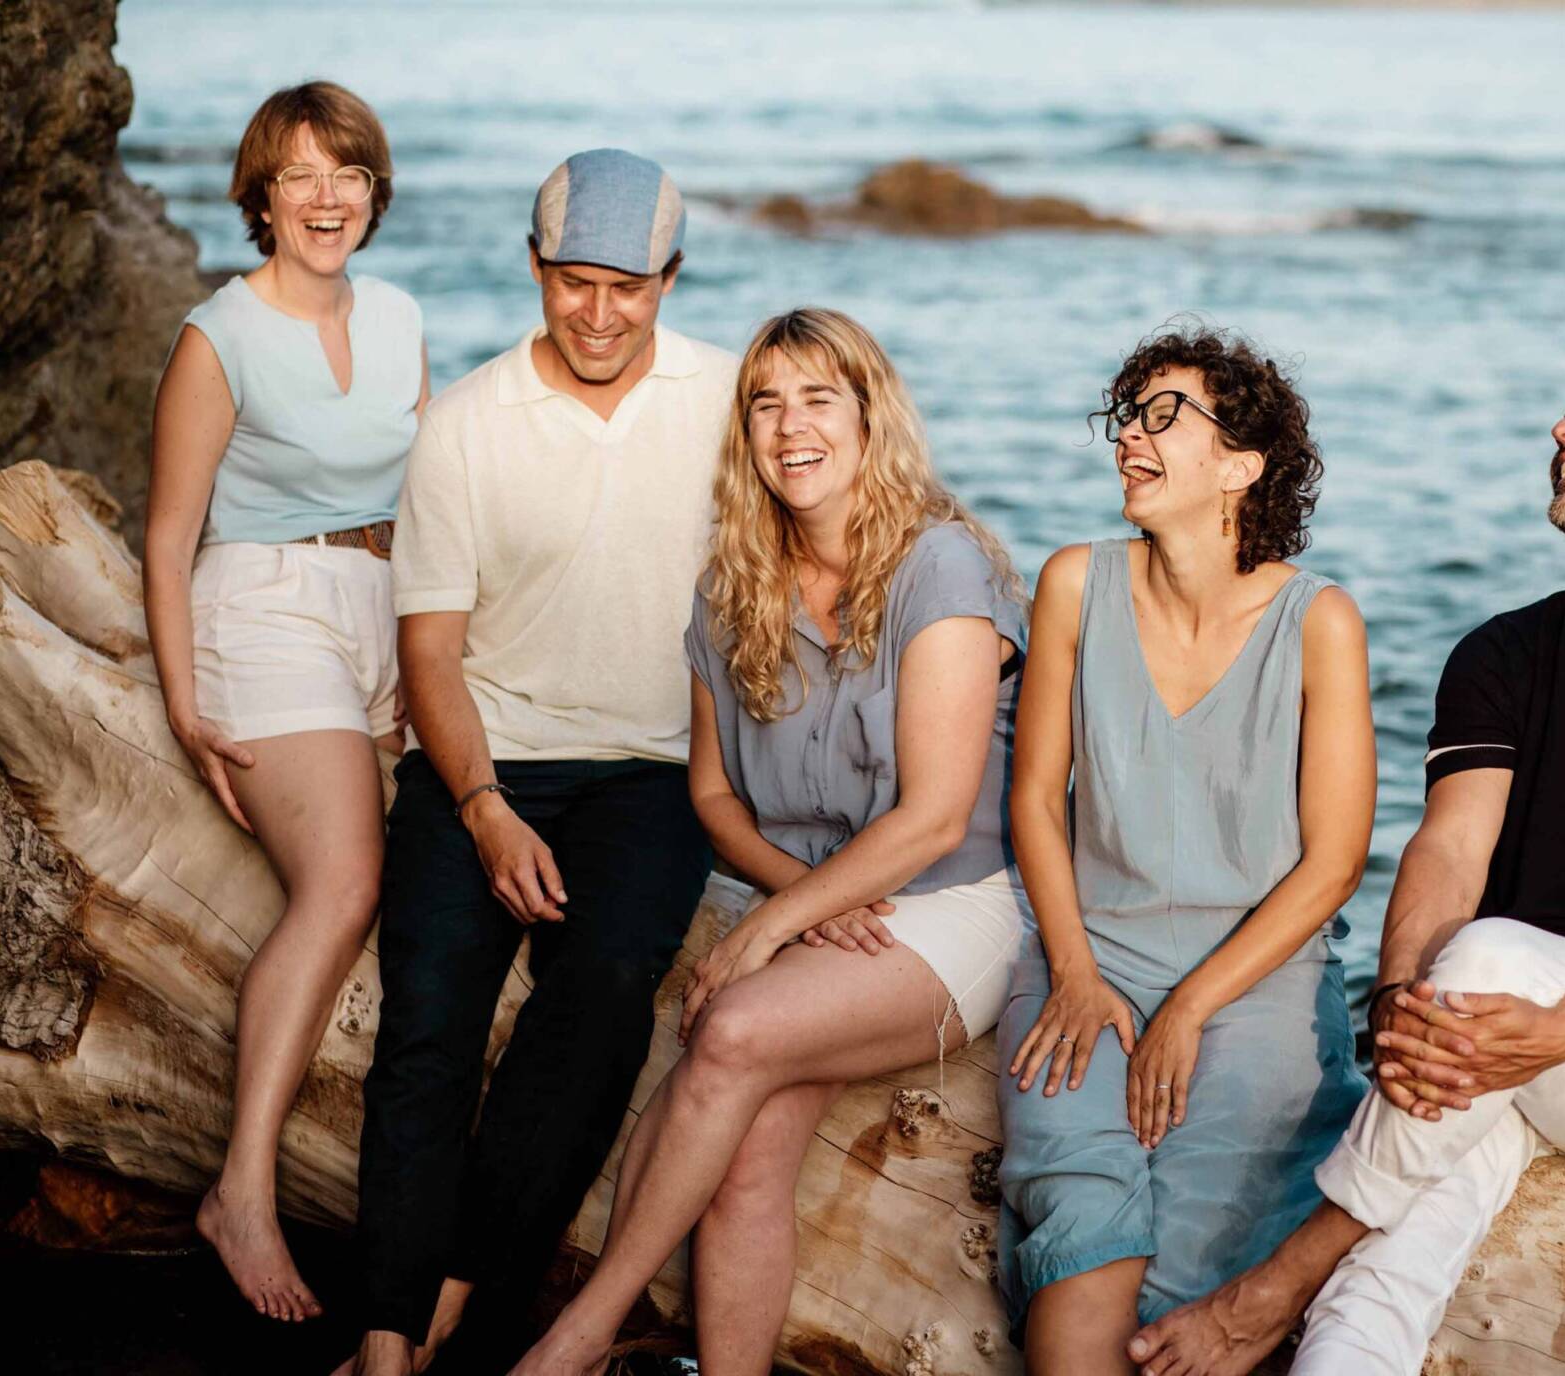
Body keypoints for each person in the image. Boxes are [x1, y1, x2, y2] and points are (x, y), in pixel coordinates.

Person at [1126, 354, 1565, 1376]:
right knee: (1381, 1283)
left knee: (1491, 952)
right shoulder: (1503, 652)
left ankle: (1261, 1295)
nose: (1563, 427)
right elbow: (1449, 850)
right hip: (1483, 1036)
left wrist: (1554, 1031)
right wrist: (1405, 1002)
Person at [508, 307, 1032, 1376]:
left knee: (734, 1030)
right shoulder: (730, 585)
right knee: (748, 1151)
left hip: (959, 898)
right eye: (765, 402)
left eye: (818, 397)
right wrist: (808, 897)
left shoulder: (943, 564)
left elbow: (936, 812)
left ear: (870, 416)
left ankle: (575, 1336)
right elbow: (711, 794)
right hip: (824, 898)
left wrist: (772, 929)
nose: (791, 425)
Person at [339, 149, 737, 1376]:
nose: (601, 312)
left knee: (607, 989)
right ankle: (386, 1341)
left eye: (629, 285)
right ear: (534, 269)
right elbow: (432, 656)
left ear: (669, 278)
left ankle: (453, 1287)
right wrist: (484, 806)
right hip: (486, 753)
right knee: (429, 1024)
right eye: (575, 283)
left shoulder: (730, 402)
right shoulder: (462, 425)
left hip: (652, 770)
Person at [996, 323, 1373, 1375]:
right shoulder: (1076, 582)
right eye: (1129, 415)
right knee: (1081, 1226)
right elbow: (1035, 798)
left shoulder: (1320, 622)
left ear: (1242, 466)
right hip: (1089, 954)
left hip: (1259, 979)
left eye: (1166, 416)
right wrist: (1071, 970)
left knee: (1194, 1278)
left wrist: (1195, 1006)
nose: (1131, 437)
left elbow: (1335, 863)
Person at [142, 80, 425, 1325]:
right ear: (262, 195)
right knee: (347, 883)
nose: (325, 197)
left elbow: (434, 501)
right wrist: (185, 697)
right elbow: (166, 536)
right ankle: (241, 1190)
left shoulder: (406, 316)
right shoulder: (219, 336)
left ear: (373, 192)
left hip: (381, 601)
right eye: (299, 174)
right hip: (261, 602)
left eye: (346, 173)